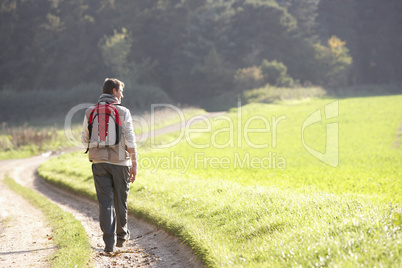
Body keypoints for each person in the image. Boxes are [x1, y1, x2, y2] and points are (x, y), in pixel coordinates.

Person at [81, 78, 137, 253]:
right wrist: (134, 162)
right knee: (120, 199)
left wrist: (97, 150)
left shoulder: (90, 111)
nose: (122, 94)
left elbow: (84, 139)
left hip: (99, 163)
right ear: (113, 91)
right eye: (120, 90)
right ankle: (121, 237)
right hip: (121, 162)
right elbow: (130, 138)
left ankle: (108, 244)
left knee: (105, 202)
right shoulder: (123, 111)